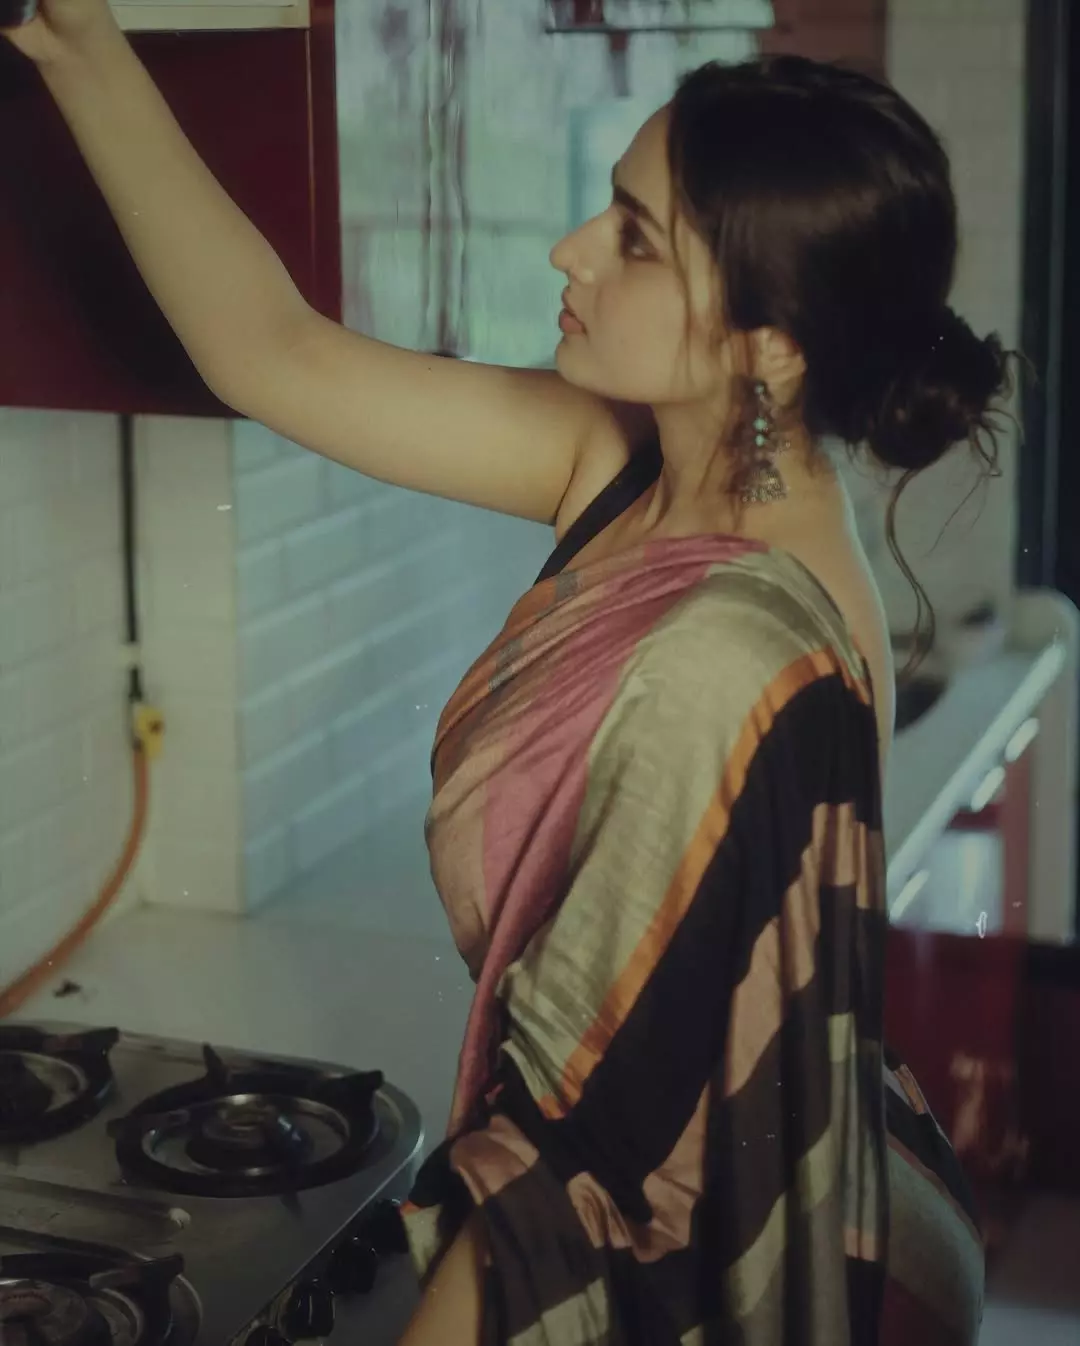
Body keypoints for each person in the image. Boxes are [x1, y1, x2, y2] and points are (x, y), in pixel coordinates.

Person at [4, 4, 1009, 1339]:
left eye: (635, 237)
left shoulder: (746, 656)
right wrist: (76, 40)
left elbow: (603, 1159)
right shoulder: (631, 462)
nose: (571, 248)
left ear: (767, 342)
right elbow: (275, 352)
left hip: (710, 1236)